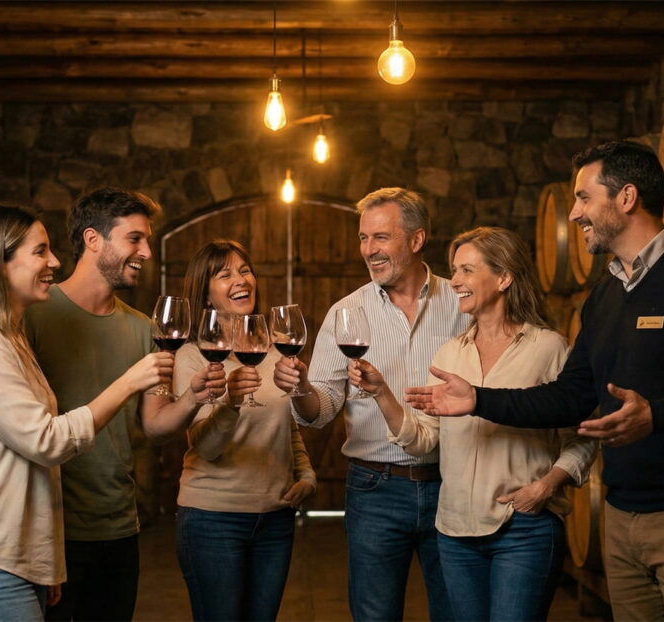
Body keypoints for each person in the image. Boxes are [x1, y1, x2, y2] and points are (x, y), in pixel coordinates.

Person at [405, 141, 664, 622]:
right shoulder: (605, 298)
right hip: (622, 516)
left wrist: (658, 415)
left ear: (626, 197)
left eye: (584, 197)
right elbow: (570, 397)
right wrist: (479, 398)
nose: (574, 213)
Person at [0, 204, 174, 621]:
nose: (54, 261)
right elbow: (45, 441)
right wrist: (129, 382)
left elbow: (24, 466)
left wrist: (45, 562)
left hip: (8, 563)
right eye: (40, 251)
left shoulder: (7, 339)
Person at [351, 226, 596, 622]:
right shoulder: (450, 354)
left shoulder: (547, 347)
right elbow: (423, 440)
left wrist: (546, 486)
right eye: (454, 271)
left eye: (467, 270)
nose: (455, 282)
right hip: (455, 532)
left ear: (504, 278)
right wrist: (382, 394)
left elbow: (582, 435)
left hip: (523, 527)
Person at [24, 188, 226, 622]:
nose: (146, 252)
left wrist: (194, 397)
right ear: (93, 239)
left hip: (118, 526)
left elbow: (155, 426)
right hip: (52, 529)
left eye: (146, 240)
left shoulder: (143, 329)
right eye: (135, 239)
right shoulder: (34, 316)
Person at [274, 187, 467, 622]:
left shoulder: (462, 303)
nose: (368, 250)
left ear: (416, 240)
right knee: (374, 615)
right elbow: (321, 410)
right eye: (363, 238)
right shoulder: (348, 312)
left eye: (381, 237)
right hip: (375, 488)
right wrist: (301, 388)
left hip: (453, 481)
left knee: (456, 611)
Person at [172, 239, 316, 621]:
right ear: (206, 295)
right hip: (213, 519)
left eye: (245, 270)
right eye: (225, 275)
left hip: (275, 519)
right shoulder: (192, 357)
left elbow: (285, 426)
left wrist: (306, 473)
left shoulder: (274, 352)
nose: (241, 280)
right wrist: (232, 403)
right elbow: (206, 448)